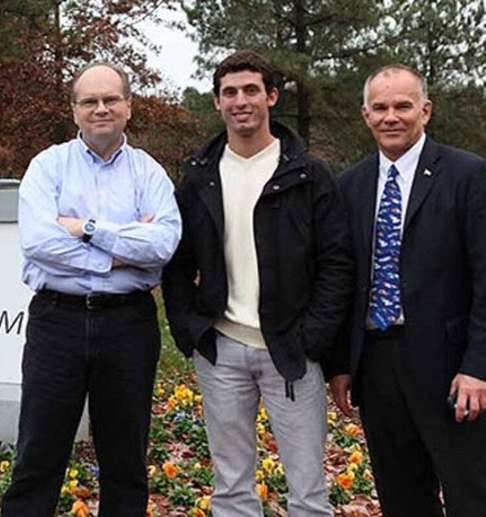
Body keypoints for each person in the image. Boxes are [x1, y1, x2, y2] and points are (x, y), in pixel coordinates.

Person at [162, 49, 352, 516]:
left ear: (271, 96)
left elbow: (337, 264)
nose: (240, 101)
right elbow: (177, 262)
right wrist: (191, 330)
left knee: (308, 491)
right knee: (231, 489)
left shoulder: (308, 174)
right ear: (217, 102)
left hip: (291, 351)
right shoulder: (199, 177)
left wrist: (313, 338)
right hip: (222, 349)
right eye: (230, 92)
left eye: (251, 90)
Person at [1, 62, 182, 517]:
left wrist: (87, 229)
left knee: (126, 459)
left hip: (128, 324)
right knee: (38, 455)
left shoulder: (149, 173)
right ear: (74, 110)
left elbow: (163, 244)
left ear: (128, 106)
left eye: (110, 99)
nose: (101, 108)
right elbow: (39, 243)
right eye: (90, 101)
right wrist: (121, 250)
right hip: (56, 321)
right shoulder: (48, 167)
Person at [328, 64, 486, 517]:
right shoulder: (351, 185)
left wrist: (477, 367)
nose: (391, 117)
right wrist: (341, 364)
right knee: (402, 497)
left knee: (470, 494)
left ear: (426, 111)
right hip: (377, 365)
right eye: (380, 108)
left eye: (403, 106)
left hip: (451, 368)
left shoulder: (468, 175)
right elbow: (343, 278)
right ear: (366, 115)